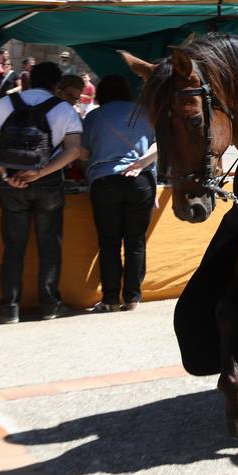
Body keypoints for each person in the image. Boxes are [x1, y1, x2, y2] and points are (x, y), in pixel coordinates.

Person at [0, 60, 83, 323]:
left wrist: (5, 173)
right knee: (50, 246)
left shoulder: (5, 103)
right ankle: (50, 306)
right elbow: (72, 150)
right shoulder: (64, 110)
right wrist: (41, 172)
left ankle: (9, 308)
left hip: (12, 182)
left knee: (13, 247)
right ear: (57, 85)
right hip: (48, 184)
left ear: (27, 80)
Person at [80, 75, 159, 313]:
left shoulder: (94, 116)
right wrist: (141, 163)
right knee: (136, 241)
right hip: (141, 182)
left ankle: (110, 299)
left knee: (109, 242)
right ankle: (133, 297)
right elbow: (161, 143)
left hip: (105, 182)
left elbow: (82, 153)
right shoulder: (146, 112)